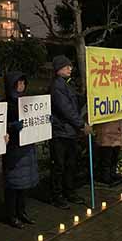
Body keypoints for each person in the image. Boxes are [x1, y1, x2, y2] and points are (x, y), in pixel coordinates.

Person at [49, 55, 91, 209]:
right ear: (58, 69)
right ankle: (57, 195)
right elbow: (66, 109)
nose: (70, 68)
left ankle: (69, 191)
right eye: (66, 66)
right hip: (60, 132)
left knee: (70, 164)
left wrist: (87, 96)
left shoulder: (67, 84)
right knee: (59, 166)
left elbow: (75, 104)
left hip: (69, 131)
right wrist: (81, 124)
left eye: (70, 66)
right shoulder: (56, 86)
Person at [3, 72, 39, 229]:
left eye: (23, 83)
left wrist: (44, 120)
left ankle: (22, 212)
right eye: (18, 83)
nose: (21, 86)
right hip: (13, 149)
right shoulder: (5, 104)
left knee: (24, 185)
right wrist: (11, 127)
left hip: (27, 148)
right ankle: (12, 215)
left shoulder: (28, 103)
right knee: (13, 184)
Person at [93, 120, 122, 185]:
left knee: (114, 158)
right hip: (105, 135)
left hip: (116, 135)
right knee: (106, 160)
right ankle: (105, 176)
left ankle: (112, 174)